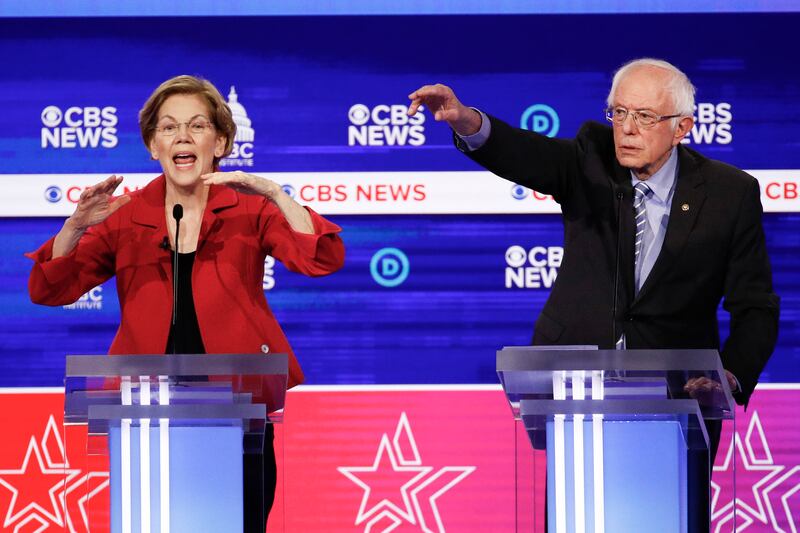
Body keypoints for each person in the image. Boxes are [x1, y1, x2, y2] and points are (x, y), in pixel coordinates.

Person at [408, 58, 779, 521]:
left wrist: (731, 377)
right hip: (577, 393)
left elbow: (756, 306)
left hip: (680, 402)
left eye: (644, 117)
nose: (627, 128)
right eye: (619, 113)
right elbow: (525, 153)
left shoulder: (729, 193)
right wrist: (467, 121)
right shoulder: (591, 158)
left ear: (682, 126)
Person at [27, 75, 345, 532]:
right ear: (152, 145)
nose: (182, 137)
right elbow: (49, 289)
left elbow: (323, 258)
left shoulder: (248, 211)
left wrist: (277, 194)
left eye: (197, 126)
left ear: (219, 142)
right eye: (168, 127)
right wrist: (75, 226)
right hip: (145, 417)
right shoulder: (125, 217)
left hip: (240, 414)